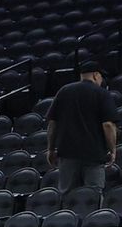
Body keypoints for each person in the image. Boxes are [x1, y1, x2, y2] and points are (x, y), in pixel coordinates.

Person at [46, 60, 118, 194]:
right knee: (92, 196)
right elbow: (108, 125)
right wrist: (112, 149)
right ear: (96, 75)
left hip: (67, 154)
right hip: (93, 154)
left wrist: (50, 149)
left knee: (68, 197)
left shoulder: (64, 91)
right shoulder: (101, 93)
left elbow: (52, 123)